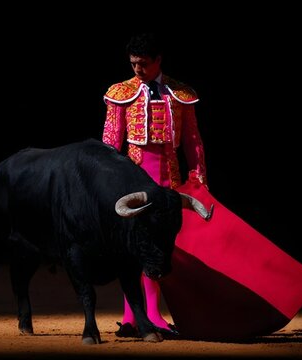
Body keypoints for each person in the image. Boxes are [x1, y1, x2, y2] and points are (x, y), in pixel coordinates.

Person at [101, 32, 207, 337]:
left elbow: (192, 141)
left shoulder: (180, 93)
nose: (137, 69)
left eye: (143, 64)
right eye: (133, 63)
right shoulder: (121, 93)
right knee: (134, 247)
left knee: (159, 248)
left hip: (168, 180)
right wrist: (108, 184)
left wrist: (198, 176)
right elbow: (110, 144)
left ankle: (151, 314)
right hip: (132, 179)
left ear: (158, 60)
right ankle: (134, 316)